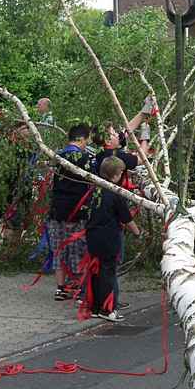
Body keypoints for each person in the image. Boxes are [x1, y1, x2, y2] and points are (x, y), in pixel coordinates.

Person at [87, 156, 141, 322]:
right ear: (117, 175)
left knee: (95, 272)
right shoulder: (116, 193)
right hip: (109, 238)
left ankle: (95, 307)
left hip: (93, 236)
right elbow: (126, 218)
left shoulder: (93, 190)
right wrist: (138, 233)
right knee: (108, 273)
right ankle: (107, 309)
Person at [48, 123, 97, 301]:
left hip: (56, 211)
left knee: (58, 249)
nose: (87, 144)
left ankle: (61, 288)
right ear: (80, 139)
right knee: (79, 250)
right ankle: (79, 289)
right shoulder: (86, 158)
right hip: (78, 212)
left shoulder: (57, 155)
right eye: (87, 140)